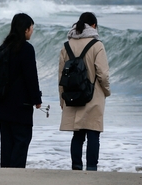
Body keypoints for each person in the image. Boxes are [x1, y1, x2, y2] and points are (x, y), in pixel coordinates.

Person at [0, 13, 42, 168]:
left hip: (3, 104)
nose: (32, 31)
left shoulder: (5, 47)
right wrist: (36, 100)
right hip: (20, 106)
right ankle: (16, 178)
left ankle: (6, 178)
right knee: (21, 142)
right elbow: (31, 77)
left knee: (7, 145)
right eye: (31, 28)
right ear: (25, 29)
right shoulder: (26, 49)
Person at [58, 12, 111, 171]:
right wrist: (106, 91)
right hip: (93, 95)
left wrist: (62, 99)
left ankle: (76, 167)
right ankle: (92, 169)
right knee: (93, 133)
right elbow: (103, 73)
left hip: (73, 94)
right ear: (93, 26)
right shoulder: (97, 45)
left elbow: (61, 75)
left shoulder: (66, 45)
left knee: (78, 135)